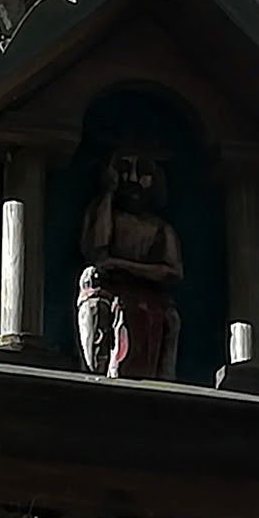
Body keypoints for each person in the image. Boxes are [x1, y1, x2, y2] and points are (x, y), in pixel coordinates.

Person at [76, 148, 183, 379]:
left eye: (142, 172)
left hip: (147, 296)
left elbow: (172, 272)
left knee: (165, 319)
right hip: (109, 290)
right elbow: (97, 251)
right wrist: (108, 193)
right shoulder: (104, 214)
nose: (132, 179)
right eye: (124, 170)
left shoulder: (160, 229)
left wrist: (122, 265)